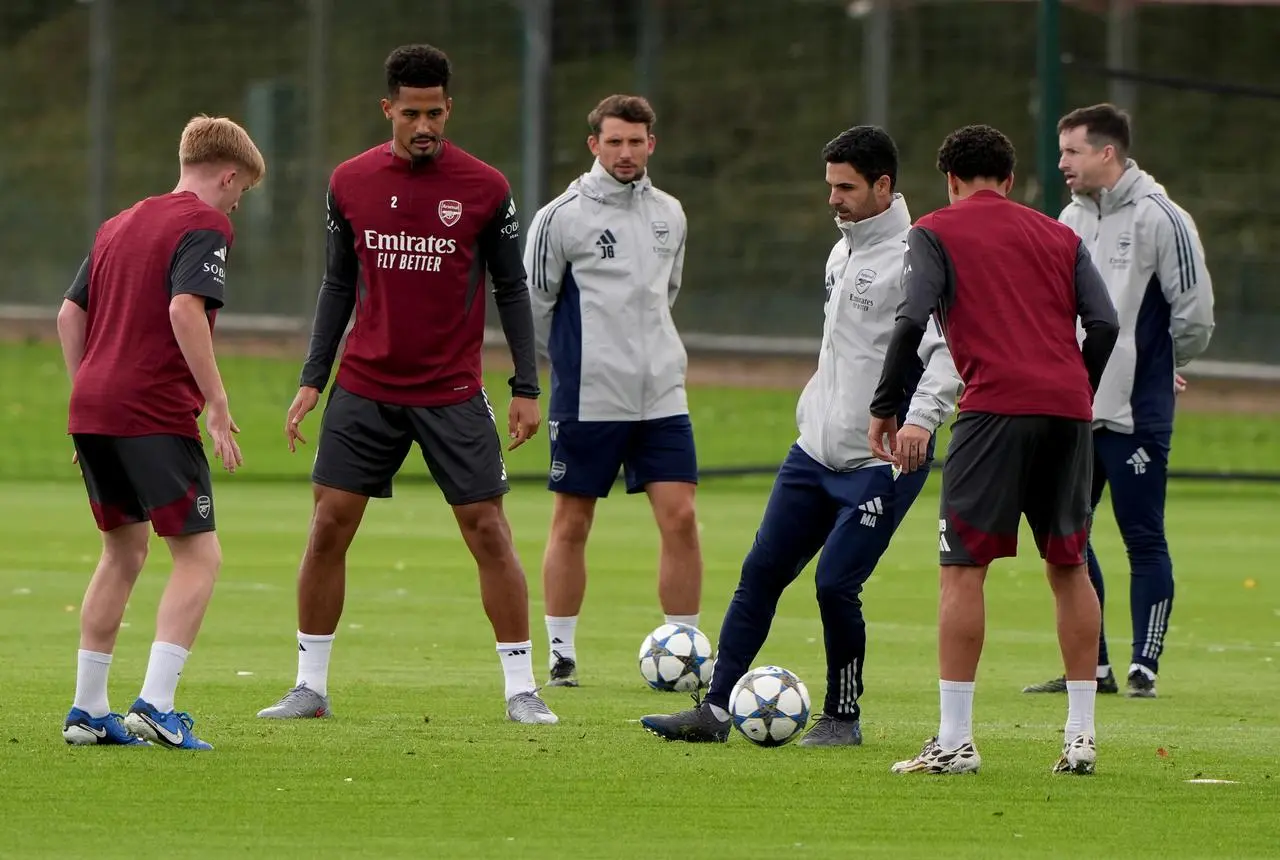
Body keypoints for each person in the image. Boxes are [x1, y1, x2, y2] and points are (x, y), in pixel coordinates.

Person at [255, 44, 557, 726]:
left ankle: (522, 690)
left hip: (451, 390)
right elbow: (337, 284)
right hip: (363, 385)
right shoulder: (349, 182)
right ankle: (309, 687)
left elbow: (512, 288)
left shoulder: (486, 187)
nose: (425, 126)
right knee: (329, 525)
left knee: (489, 531)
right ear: (388, 109)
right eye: (411, 113)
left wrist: (526, 385)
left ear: (450, 108)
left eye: (436, 113)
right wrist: (313, 378)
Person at [639, 126, 961, 745]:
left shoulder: (916, 259)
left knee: (835, 583)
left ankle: (843, 717)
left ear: (883, 186)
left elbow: (947, 350)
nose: (833, 199)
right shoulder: (841, 252)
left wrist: (922, 418)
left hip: (880, 462)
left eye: (846, 187)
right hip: (815, 451)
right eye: (830, 186)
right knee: (759, 572)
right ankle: (713, 712)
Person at [868, 124, 1120, 775]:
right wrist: (1074, 386)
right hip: (1068, 413)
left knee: (963, 569)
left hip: (992, 412)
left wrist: (887, 406)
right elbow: (1105, 323)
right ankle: (1081, 737)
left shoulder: (935, 230)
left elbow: (910, 319)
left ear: (950, 181)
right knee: (1068, 564)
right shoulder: (1060, 235)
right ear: (1010, 180)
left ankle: (955, 740)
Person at [57, 115, 266, 750]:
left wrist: (87, 389)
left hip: (93, 408)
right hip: (151, 409)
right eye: (242, 191)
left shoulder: (118, 223)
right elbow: (184, 308)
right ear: (228, 175)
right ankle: (157, 702)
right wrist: (217, 401)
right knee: (199, 554)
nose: (238, 203)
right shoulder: (207, 223)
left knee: (122, 552)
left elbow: (70, 315)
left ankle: (88, 711)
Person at [1023, 103, 1215, 699]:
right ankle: (1095, 665)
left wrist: (1162, 368)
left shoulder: (1164, 218)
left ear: (1108, 153)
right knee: (1068, 539)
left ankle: (1145, 666)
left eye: (1072, 152)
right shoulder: (1067, 220)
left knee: (1142, 536)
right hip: (1075, 406)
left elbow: (1194, 316)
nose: (1062, 164)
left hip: (1136, 414)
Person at [524, 94, 701, 688]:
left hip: (662, 396)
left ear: (652, 144)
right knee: (572, 523)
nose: (626, 152)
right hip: (588, 396)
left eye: (637, 141)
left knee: (681, 518)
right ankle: (561, 653)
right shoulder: (562, 216)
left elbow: (664, 294)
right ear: (593, 144)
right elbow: (535, 308)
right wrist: (575, 364)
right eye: (615, 141)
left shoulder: (671, 213)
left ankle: (688, 650)